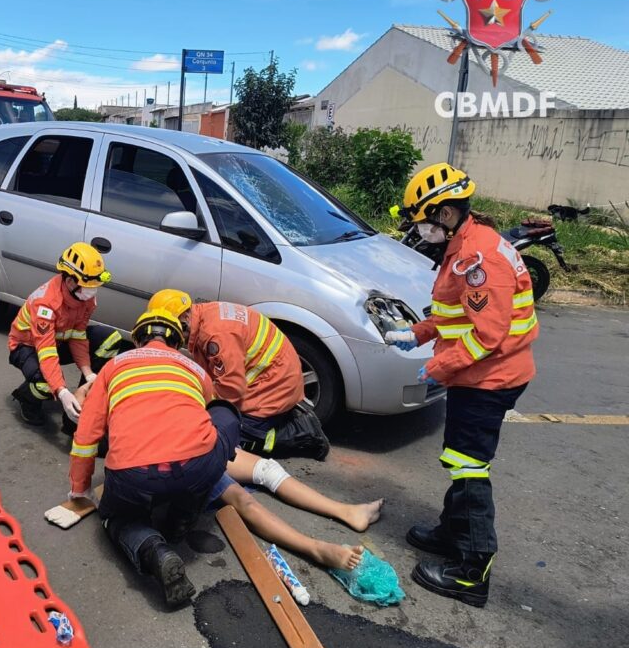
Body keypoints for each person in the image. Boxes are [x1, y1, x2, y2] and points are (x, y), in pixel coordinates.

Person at [387, 162, 538, 607]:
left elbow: (487, 335)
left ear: (446, 213)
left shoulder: (479, 259)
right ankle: (452, 533)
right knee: (460, 458)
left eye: (423, 220)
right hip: (482, 373)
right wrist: (418, 333)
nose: (420, 229)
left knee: (469, 465)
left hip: (490, 377)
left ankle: (472, 569)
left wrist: (437, 368)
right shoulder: (466, 243)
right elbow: (455, 315)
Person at [71, 382, 379, 571]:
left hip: (178, 451)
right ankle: (318, 545)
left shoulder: (116, 383)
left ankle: (342, 517)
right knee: (247, 491)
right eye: (82, 394)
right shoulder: (122, 383)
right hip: (187, 451)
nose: (85, 389)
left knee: (250, 488)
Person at [67, 310, 240, 607]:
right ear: (176, 341)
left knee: (116, 517)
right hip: (196, 467)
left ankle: (154, 551)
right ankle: (183, 516)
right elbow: (211, 411)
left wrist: (80, 487)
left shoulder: (113, 366)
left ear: (138, 339)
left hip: (133, 474)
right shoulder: (195, 369)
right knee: (224, 412)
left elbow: (86, 433)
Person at [147, 290, 328, 459]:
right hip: (273, 378)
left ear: (184, 319)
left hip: (272, 386)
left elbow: (231, 387)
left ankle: (303, 435)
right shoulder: (205, 317)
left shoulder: (215, 335)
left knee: (225, 441)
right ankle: (280, 418)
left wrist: (201, 408)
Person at [8, 242, 112, 430]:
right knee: (46, 384)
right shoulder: (45, 305)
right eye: (87, 286)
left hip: (58, 342)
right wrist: (62, 391)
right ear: (70, 281)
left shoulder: (85, 297)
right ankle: (26, 398)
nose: (92, 291)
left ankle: (83, 398)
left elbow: (78, 336)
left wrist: (88, 374)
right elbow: (46, 352)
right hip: (26, 347)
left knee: (109, 338)